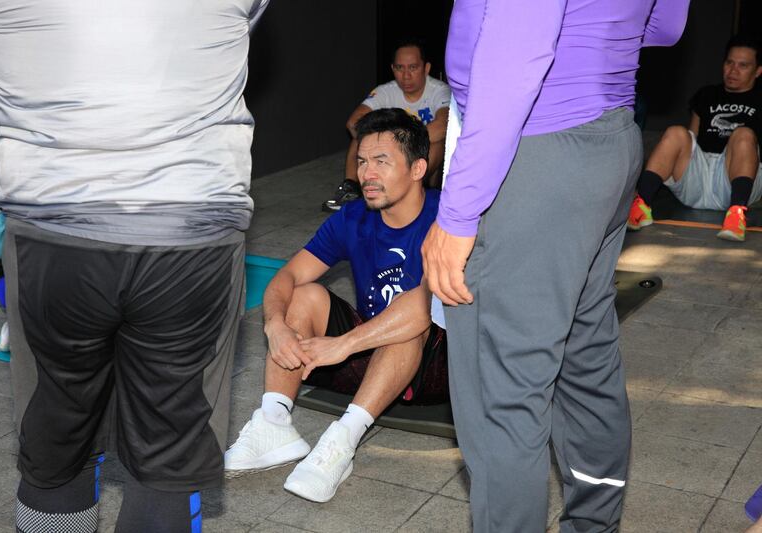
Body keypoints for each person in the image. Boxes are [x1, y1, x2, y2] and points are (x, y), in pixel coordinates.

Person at [0, 1, 269, 531]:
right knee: (169, 453)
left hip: (54, 229)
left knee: (56, 433)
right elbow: (234, 30)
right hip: (190, 229)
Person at [421, 1, 689, 531]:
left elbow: (516, 58)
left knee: (504, 394)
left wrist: (458, 211)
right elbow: (667, 24)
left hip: (535, 151)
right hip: (610, 140)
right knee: (584, 357)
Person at [225, 108, 448, 502]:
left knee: (408, 319)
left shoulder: (448, 216)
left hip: (438, 365)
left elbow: (423, 306)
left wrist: (342, 344)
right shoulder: (354, 217)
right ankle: (273, 421)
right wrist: (275, 324)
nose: (367, 174)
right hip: (371, 354)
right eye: (362, 161)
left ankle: (342, 441)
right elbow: (286, 278)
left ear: (417, 168)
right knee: (305, 294)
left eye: (382, 161)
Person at [629, 35, 762, 242]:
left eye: (743, 65)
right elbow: (691, 138)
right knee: (676, 132)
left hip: (735, 178)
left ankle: (737, 214)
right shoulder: (707, 95)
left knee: (743, 134)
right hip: (698, 175)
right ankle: (641, 205)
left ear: (758, 71)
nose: (733, 70)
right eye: (729, 62)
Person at [322, 40, 450, 211]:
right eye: (399, 68)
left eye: (412, 67)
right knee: (363, 132)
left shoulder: (440, 90)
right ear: (392, 69)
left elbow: (443, 125)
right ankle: (351, 189)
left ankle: (416, 192)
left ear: (426, 68)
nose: (406, 75)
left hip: (424, 163)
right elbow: (353, 122)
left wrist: (400, 146)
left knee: (437, 142)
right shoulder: (385, 91)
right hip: (389, 160)